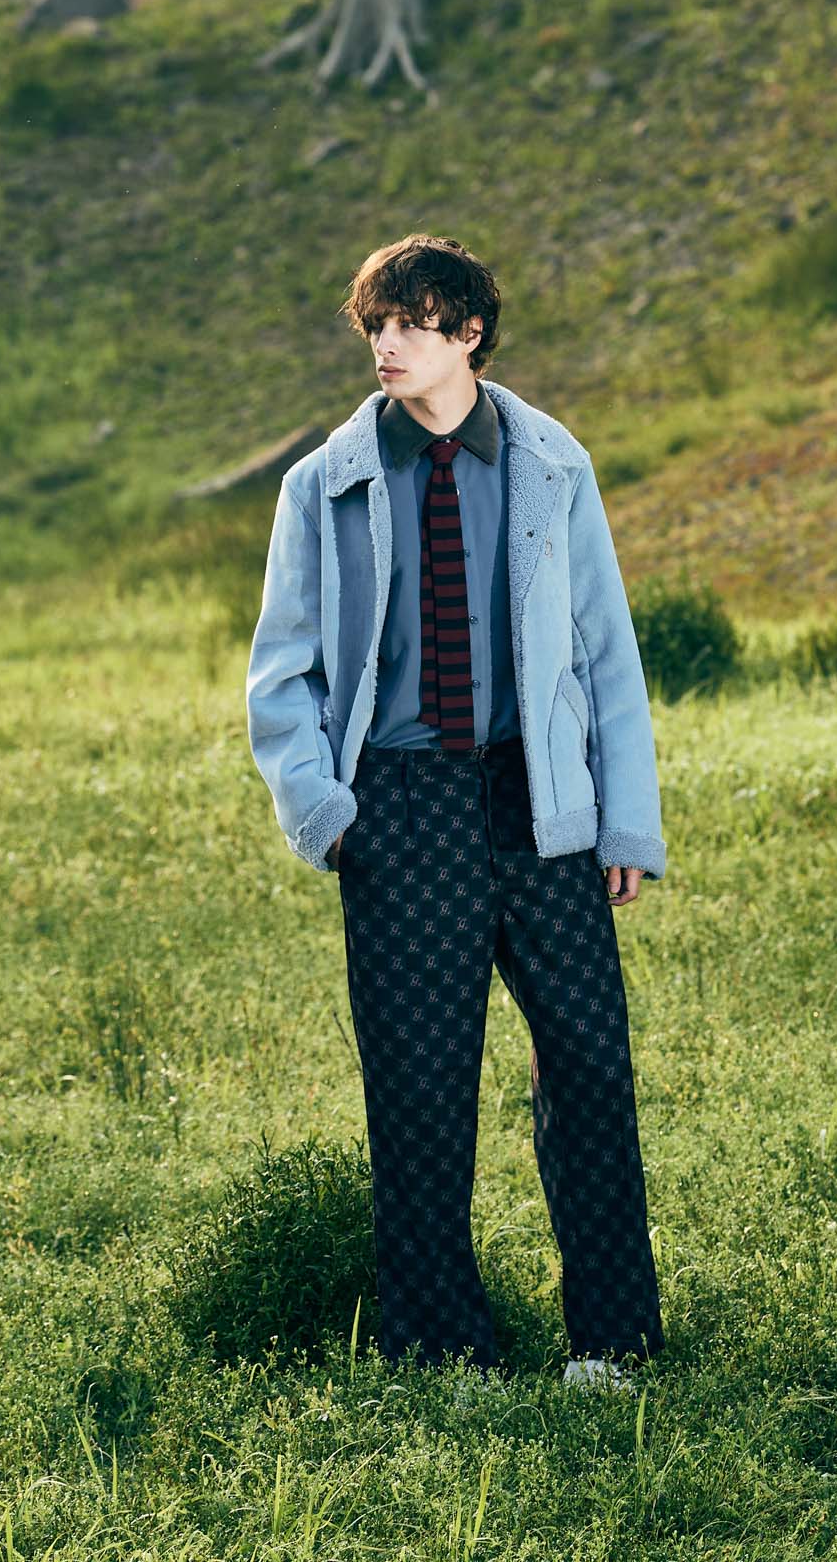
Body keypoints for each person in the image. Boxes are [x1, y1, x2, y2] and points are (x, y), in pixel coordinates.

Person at [245, 232, 666, 1390]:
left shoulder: (552, 463)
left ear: (467, 332)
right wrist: (329, 814)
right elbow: (280, 673)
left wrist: (624, 820)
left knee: (588, 1067)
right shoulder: (322, 484)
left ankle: (612, 1345)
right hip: (399, 807)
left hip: (541, 799)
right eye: (376, 326)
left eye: (411, 324)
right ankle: (443, 1353)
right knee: (420, 1089)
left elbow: (605, 649)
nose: (387, 345)